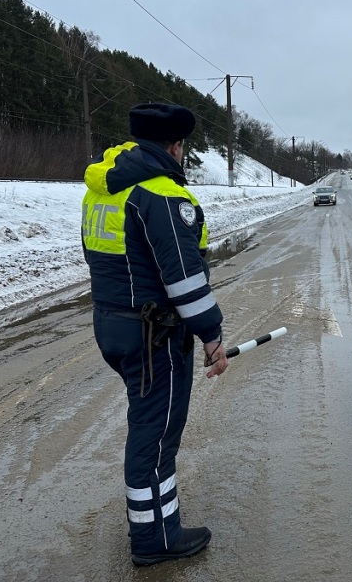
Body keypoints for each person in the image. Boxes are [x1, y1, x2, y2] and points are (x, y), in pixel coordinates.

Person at [81, 102, 228, 567]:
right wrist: (211, 335)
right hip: (154, 335)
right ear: (176, 145)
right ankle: (156, 539)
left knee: (147, 425)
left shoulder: (102, 191)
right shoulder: (162, 195)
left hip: (112, 324)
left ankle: (154, 526)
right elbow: (184, 279)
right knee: (156, 434)